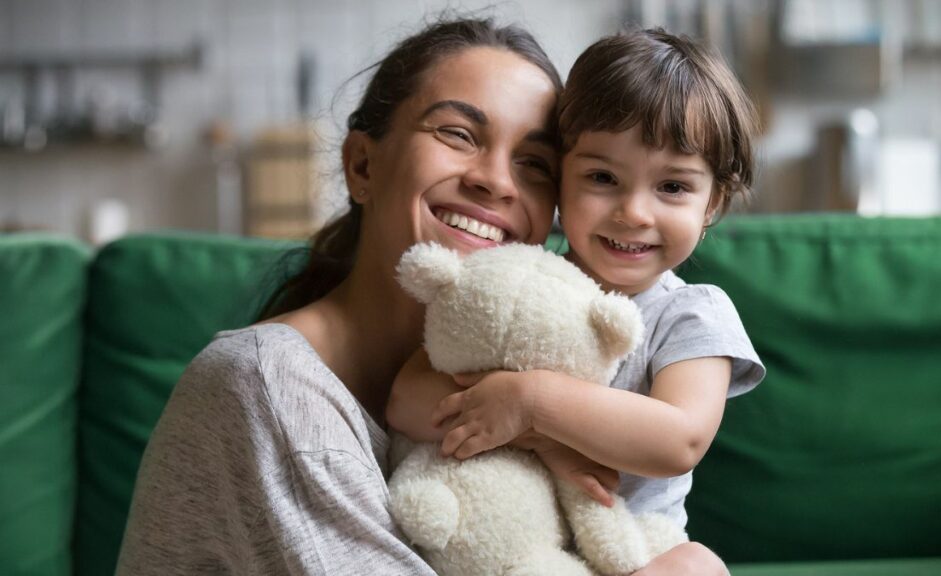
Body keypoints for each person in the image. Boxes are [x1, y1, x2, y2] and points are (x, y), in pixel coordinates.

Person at [115, 18, 563, 575]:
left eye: (536, 164)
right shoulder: (266, 384)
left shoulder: (517, 397)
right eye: (458, 134)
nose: (497, 181)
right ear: (362, 165)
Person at [387, 28, 765, 575]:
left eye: (674, 188)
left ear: (713, 203)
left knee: (697, 567)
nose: (634, 212)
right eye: (602, 177)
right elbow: (407, 399)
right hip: (519, 543)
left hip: (635, 550)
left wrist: (534, 404)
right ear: (560, 177)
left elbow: (677, 439)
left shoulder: (692, 313)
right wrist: (543, 444)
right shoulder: (517, 282)